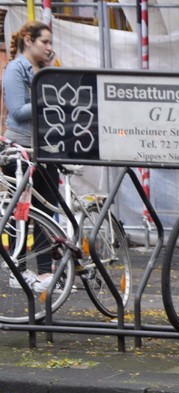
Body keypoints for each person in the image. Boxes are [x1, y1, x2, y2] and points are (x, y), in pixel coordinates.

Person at [2, 21, 60, 293]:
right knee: (21, 212)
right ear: (28, 40)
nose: (49, 47)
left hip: (46, 148)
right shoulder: (16, 69)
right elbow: (16, 111)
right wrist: (47, 97)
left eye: (50, 43)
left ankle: (46, 272)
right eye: (44, 42)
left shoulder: (47, 70)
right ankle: (19, 270)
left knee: (47, 209)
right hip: (21, 150)